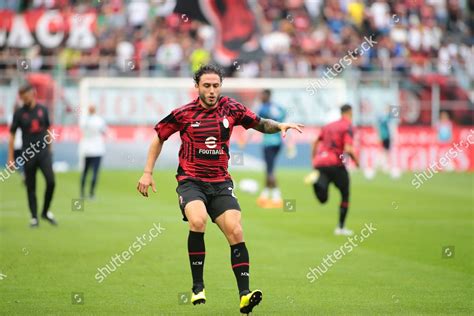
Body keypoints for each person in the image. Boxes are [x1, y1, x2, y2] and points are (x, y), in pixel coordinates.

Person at [136, 64, 303, 314]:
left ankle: (244, 296)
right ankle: (197, 287)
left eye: (216, 85)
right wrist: (147, 172)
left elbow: (258, 123)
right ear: (197, 87)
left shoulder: (231, 108)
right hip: (191, 181)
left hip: (221, 183)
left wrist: (279, 125)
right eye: (207, 86)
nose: (212, 90)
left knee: (236, 231)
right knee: (198, 220)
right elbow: (158, 138)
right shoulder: (183, 114)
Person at [8, 84, 58, 228]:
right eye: (22, 97)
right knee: (31, 186)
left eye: (26, 96)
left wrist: (50, 149)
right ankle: (34, 217)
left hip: (43, 152)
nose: (24, 99)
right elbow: (12, 135)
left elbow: (48, 130)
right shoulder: (19, 113)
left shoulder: (43, 110)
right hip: (28, 153)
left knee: (51, 181)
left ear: (33, 93)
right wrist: (11, 158)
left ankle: (45, 211)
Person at [311, 104, 358, 236]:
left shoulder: (328, 126)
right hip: (336, 162)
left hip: (321, 162)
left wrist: (313, 160)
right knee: (345, 193)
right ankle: (341, 227)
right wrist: (357, 162)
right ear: (349, 112)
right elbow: (348, 149)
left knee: (323, 199)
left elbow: (315, 142)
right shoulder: (348, 126)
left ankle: (318, 184)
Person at [255, 89, 286, 208]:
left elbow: (257, 123)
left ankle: (277, 197)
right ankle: (265, 194)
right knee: (269, 169)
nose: (261, 97)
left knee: (270, 171)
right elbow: (283, 117)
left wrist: (245, 138)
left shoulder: (263, 108)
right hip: (278, 142)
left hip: (268, 142)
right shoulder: (278, 108)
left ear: (267, 96)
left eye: (262, 95)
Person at [80, 105, 107, 199]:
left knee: (85, 172)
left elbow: (82, 130)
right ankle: (91, 193)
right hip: (97, 149)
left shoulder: (84, 120)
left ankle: (82, 193)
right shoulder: (99, 120)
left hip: (86, 149)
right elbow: (104, 132)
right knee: (95, 172)